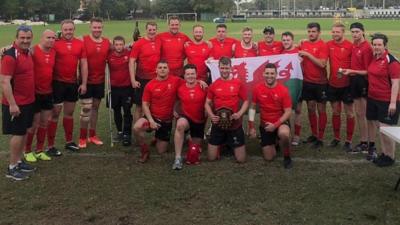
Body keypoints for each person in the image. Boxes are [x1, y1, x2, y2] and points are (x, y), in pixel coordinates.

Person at [47, 19, 88, 153]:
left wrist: (83, 83)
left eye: (70, 29)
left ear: (74, 29)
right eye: (66, 30)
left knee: (69, 113)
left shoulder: (79, 44)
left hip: (72, 83)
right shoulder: (54, 43)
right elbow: (39, 49)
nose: (68, 32)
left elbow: (83, 64)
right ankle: (50, 145)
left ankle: (69, 141)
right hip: (57, 83)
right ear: (62, 30)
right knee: (54, 114)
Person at [1, 25, 36, 180]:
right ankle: (12, 167)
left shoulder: (28, 52)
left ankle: (19, 161)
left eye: (28, 38)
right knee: (18, 134)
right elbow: (4, 82)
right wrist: (12, 104)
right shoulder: (10, 55)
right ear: (16, 38)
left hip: (28, 101)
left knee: (24, 133)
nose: (25, 41)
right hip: (16, 103)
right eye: (22, 38)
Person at [133, 60, 183, 163]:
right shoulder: (150, 85)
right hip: (153, 117)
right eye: (160, 67)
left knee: (161, 151)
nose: (162, 70)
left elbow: (189, 82)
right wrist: (151, 120)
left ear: (169, 70)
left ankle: (158, 137)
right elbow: (145, 105)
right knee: (137, 127)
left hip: (166, 121)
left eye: (165, 67)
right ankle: (145, 150)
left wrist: (200, 81)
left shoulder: (176, 80)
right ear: (156, 70)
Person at [248, 63, 292, 168]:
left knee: (284, 134)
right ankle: (274, 142)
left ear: (276, 75)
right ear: (263, 74)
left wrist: (275, 125)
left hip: (280, 122)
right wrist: (251, 127)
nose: (269, 76)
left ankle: (287, 157)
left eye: (272, 73)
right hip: (266, 125)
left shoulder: (283, 90)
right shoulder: (257, 88)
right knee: (269, 157)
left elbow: (288, 111)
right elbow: (252, 108)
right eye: (267, 73)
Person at [205, 57, 248, 163]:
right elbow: (206, 103)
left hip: (235, 124)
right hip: (218, 124)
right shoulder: (214, 85)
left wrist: (239, 113)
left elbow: (246, 101)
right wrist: (211, 116)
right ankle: (222, 143)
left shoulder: (238, 83)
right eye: (222, 68)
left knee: (241, 160)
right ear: (219, 68)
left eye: (226, 68)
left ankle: (229, 142)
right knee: (211, 158)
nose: (224, 70)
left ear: (231, 68)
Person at [366, 33, 400, 166]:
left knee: (387, 130)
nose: (376, 47)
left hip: (386, 101)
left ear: (385, 45)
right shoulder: (375, 57)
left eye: (379, 45)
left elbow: (396, 83)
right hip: (373, 98)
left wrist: (392, 103)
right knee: (381, 128)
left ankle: (390, 157)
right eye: (374, 44)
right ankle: (384, 153)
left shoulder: (391, 61)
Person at [24, 30, 56, 162]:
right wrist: (4, 48)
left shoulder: (54, 51)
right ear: (41, 38)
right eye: (48, 37)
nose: (51, 40)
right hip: (34, 93)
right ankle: (27, 151)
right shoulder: (32, 51)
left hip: (48, 92)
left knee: (44, 122)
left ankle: (39, 150)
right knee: (33, 123)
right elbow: (16, 50)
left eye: (53, 38)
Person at [78, 17, 111, 149]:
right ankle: (82, 137)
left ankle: (92, 135)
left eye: (99, 27)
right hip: (86, 81)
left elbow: (119, 49)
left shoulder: (107, 42)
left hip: (100, 80)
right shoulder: (83, 39)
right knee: (86, 108)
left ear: (102, 28)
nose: (97, 29)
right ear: (90, 27)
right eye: (95, 27)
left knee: (95, 108)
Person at [341, 22, 373, 154]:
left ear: (363, 31)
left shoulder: (367, 48)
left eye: (357, 32)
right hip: (354, 79)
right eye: (353, 32)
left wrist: (351, 71)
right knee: (359, 113)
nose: (354, 34)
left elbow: (368, 71)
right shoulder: (354, 45)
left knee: (365, 114)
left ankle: (368, 143)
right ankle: (363, 141)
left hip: (362, 81)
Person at [299, 22, 329, 149]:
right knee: (311, 108)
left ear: (319, 32)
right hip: (307, 82)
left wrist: (308, 55)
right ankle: (314, 134)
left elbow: (322, 64)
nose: (311, 34)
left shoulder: (323, 45)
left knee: (321, 109)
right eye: (309, 31)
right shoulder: (304, 44)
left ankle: (320, 138)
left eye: (313, 32)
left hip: (321, 83)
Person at [172, 64, 207, 170]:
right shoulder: (180, 88)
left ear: (197, 75)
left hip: (199, 122)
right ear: (184, 75)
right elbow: (175, 100)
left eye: (192, 74)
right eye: (188, 74)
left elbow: (210, 103)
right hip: (185, 118)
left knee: (195, 150)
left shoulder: (203, 87)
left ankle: (189, 137)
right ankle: (177, 158)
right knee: (180, 125)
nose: (190, 76)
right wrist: (174, 109)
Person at [326, 23, 354, 151]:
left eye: (337, 32)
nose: (335, 34)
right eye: (333, 32)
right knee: (336, 112)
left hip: (347, 85)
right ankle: (337, 138)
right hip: (333, 84)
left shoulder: (350, 46)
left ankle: (348, 140)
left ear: (343, 32)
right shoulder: (329, 45)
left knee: (349, 114)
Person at [129, 21, 161, 123]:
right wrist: (133, 80)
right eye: (150, 30)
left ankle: (155, 128)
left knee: (156, 105)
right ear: (146, 30)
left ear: (156, 30)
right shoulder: (139, 44)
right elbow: (131, 61)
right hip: (142, 79)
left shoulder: (159, 41)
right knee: (139, 106)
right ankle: (137, 130)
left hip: (156, 79)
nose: (152, 32)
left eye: (154, 30)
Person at [107, 36, 134, 146]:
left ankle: (127, 134)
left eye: (121, 44)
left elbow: (135, 44)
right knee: (116, 110)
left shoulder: (128, 53)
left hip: (127, 87)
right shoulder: (109, 55)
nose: (119, 47)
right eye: (116, 44)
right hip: (113, 88)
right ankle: (120, 132)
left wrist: (133, 42)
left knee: (127, 111)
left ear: (124, 44)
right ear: (113, 45)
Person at [281, 31, 302, 146]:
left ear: (292, 41)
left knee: (298, 110)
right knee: (285, 110)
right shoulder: (280, 52)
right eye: (283, 40)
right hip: (285, 86)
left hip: (296, 84)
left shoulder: (298, 52)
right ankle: (286, 132)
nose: (285, 42)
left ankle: (297, 135)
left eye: (288, 40)